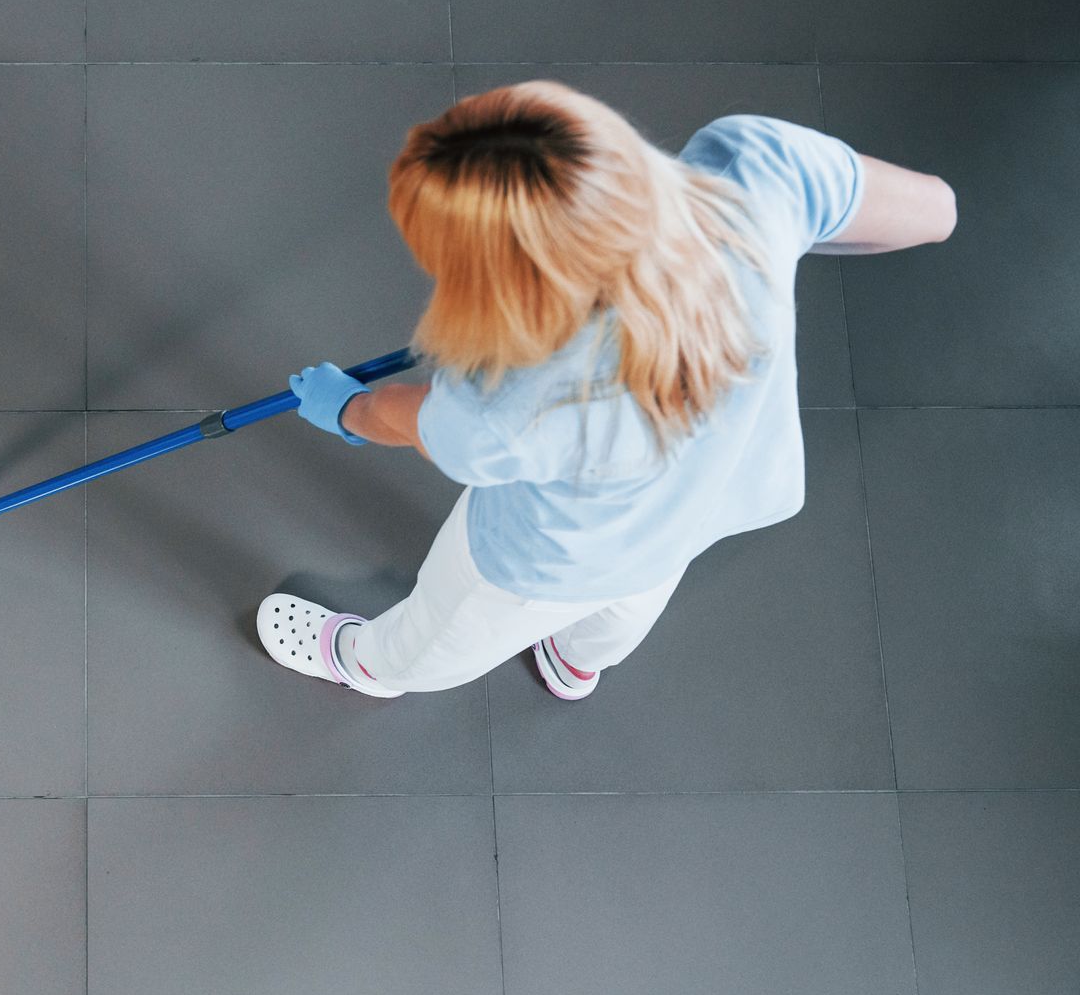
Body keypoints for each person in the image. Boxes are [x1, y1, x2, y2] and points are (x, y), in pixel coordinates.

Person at [261, 81, 955, 701]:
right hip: (709, 500)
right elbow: (936, 212)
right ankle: (573, 661)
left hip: (549, 561)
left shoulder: (505, 397)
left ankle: (367, 664)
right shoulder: (754, 166)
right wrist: (782, 235)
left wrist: (349, 410)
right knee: (637, 589)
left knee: (441, 632)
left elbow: (417, 423)